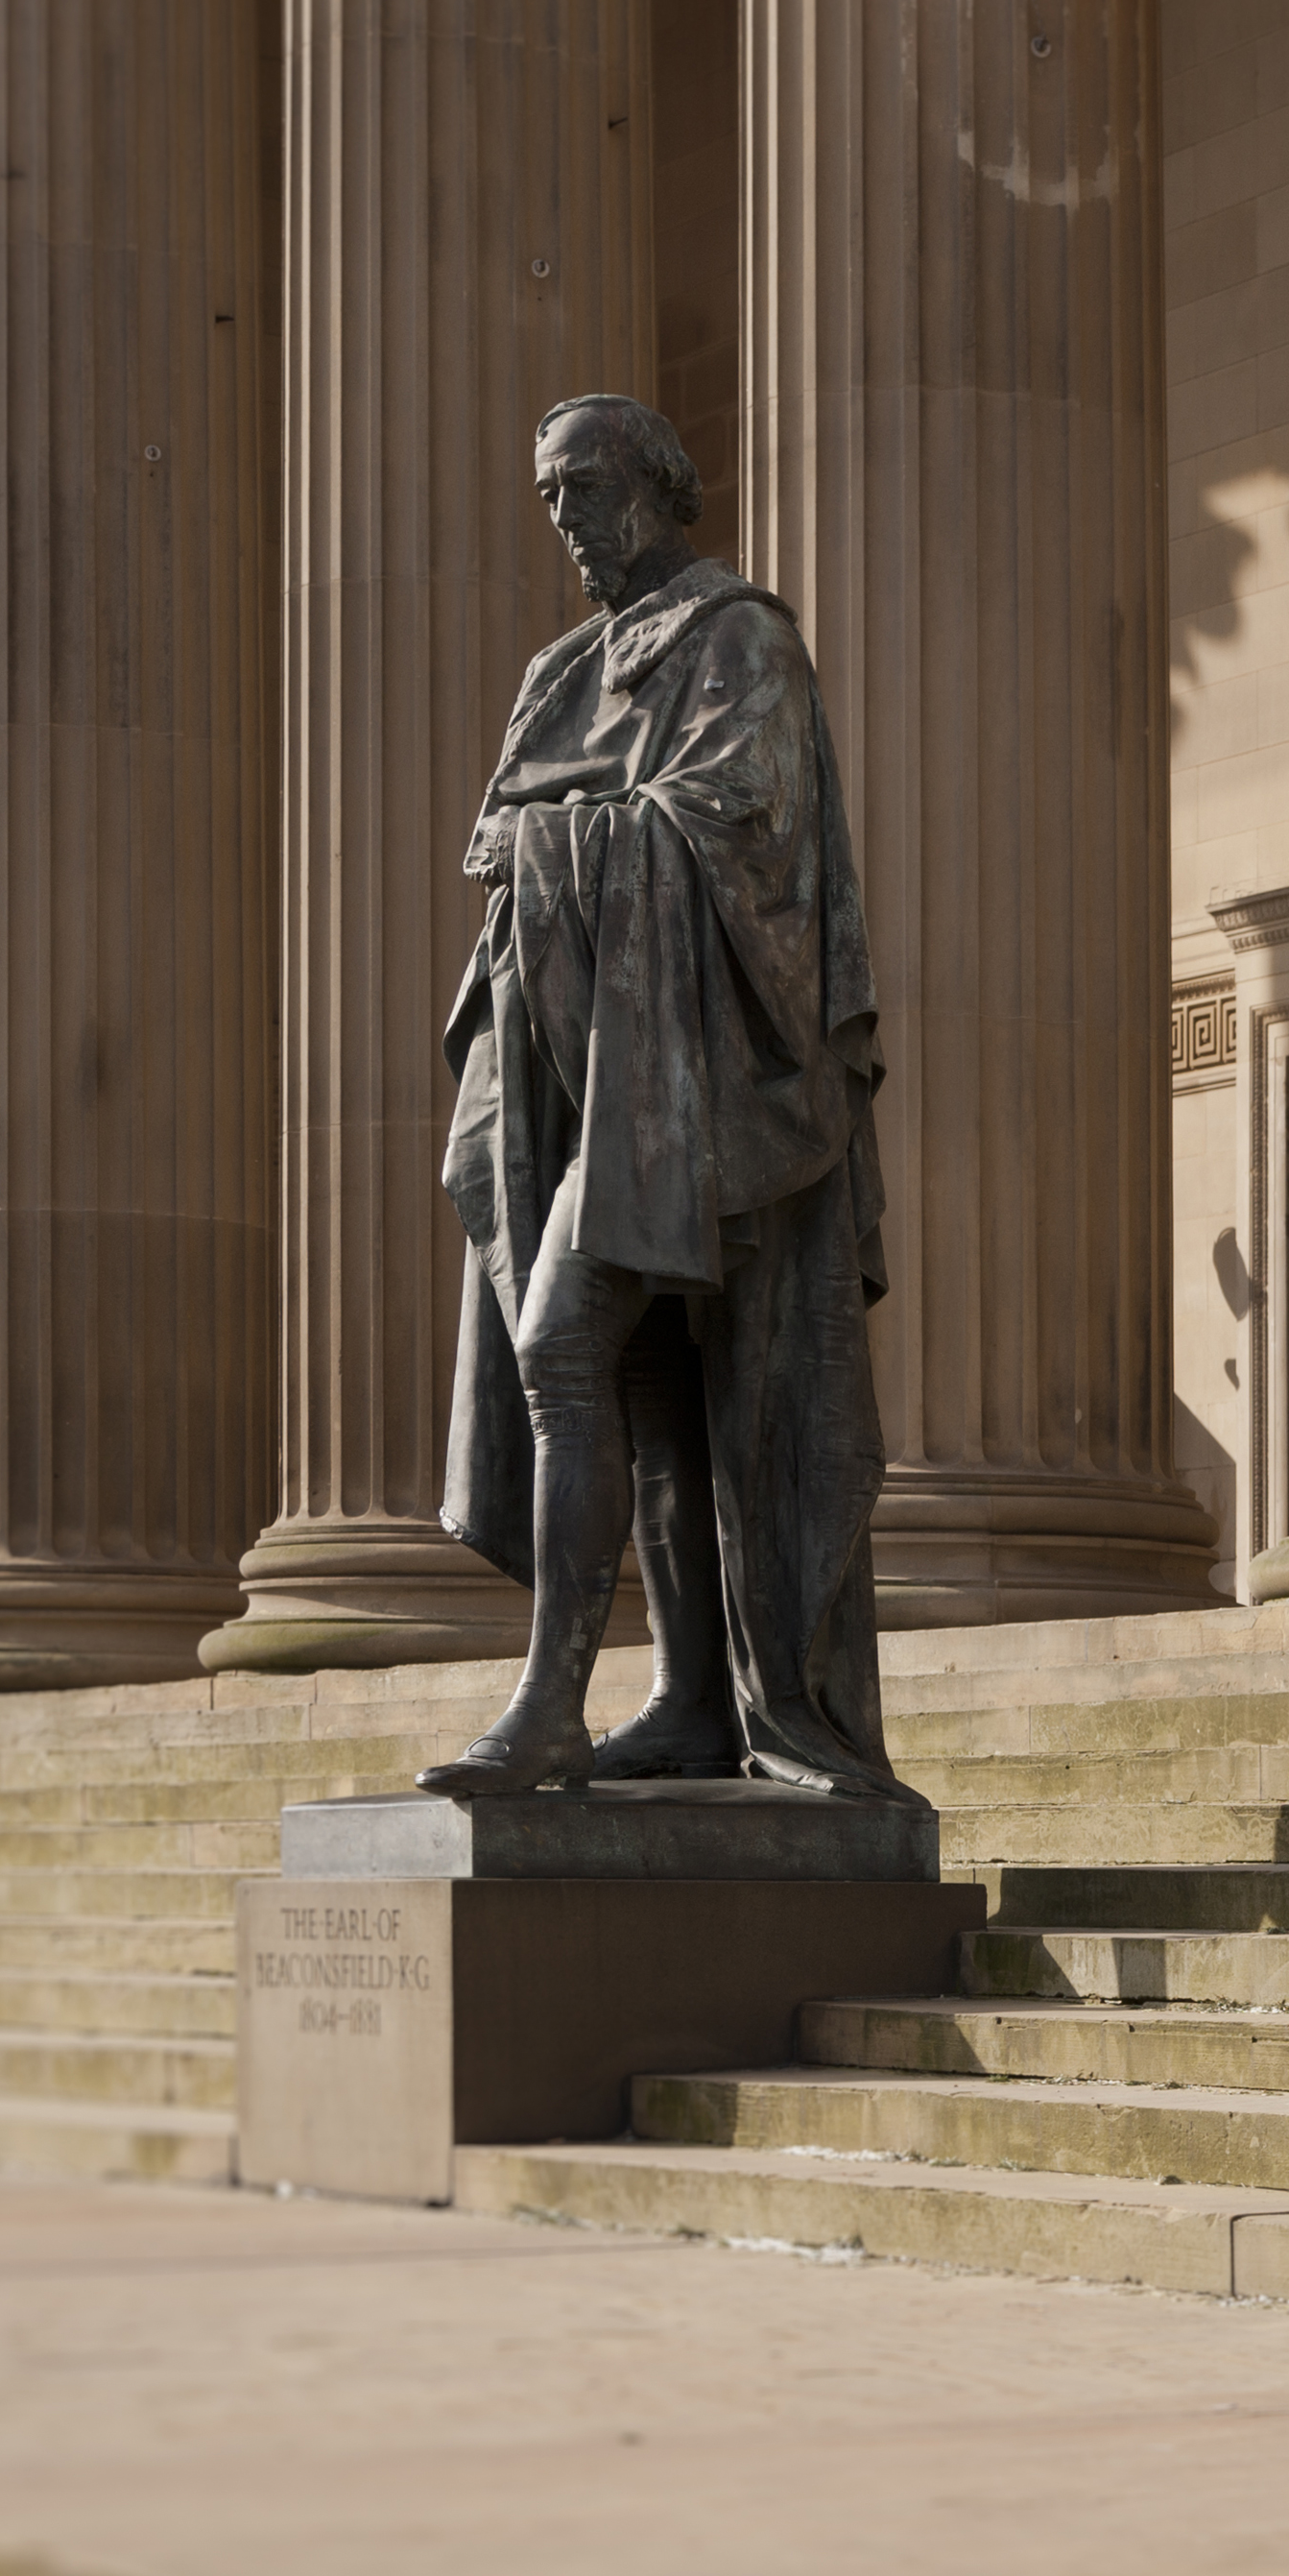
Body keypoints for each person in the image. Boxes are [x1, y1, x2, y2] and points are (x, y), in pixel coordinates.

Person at [420, 393, 909, 1804]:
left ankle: (551, 1705)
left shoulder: (739, 636)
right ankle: (693, 1692)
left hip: (715, 1080)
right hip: (591, 1077)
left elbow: (746, 823)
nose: (564, 515)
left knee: (566, 1344)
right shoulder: (559, 669)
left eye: (582, 483)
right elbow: (488, 837)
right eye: (547, 491)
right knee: (644, 1382)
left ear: (657, 484)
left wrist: (564, 833)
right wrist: (559, 832)